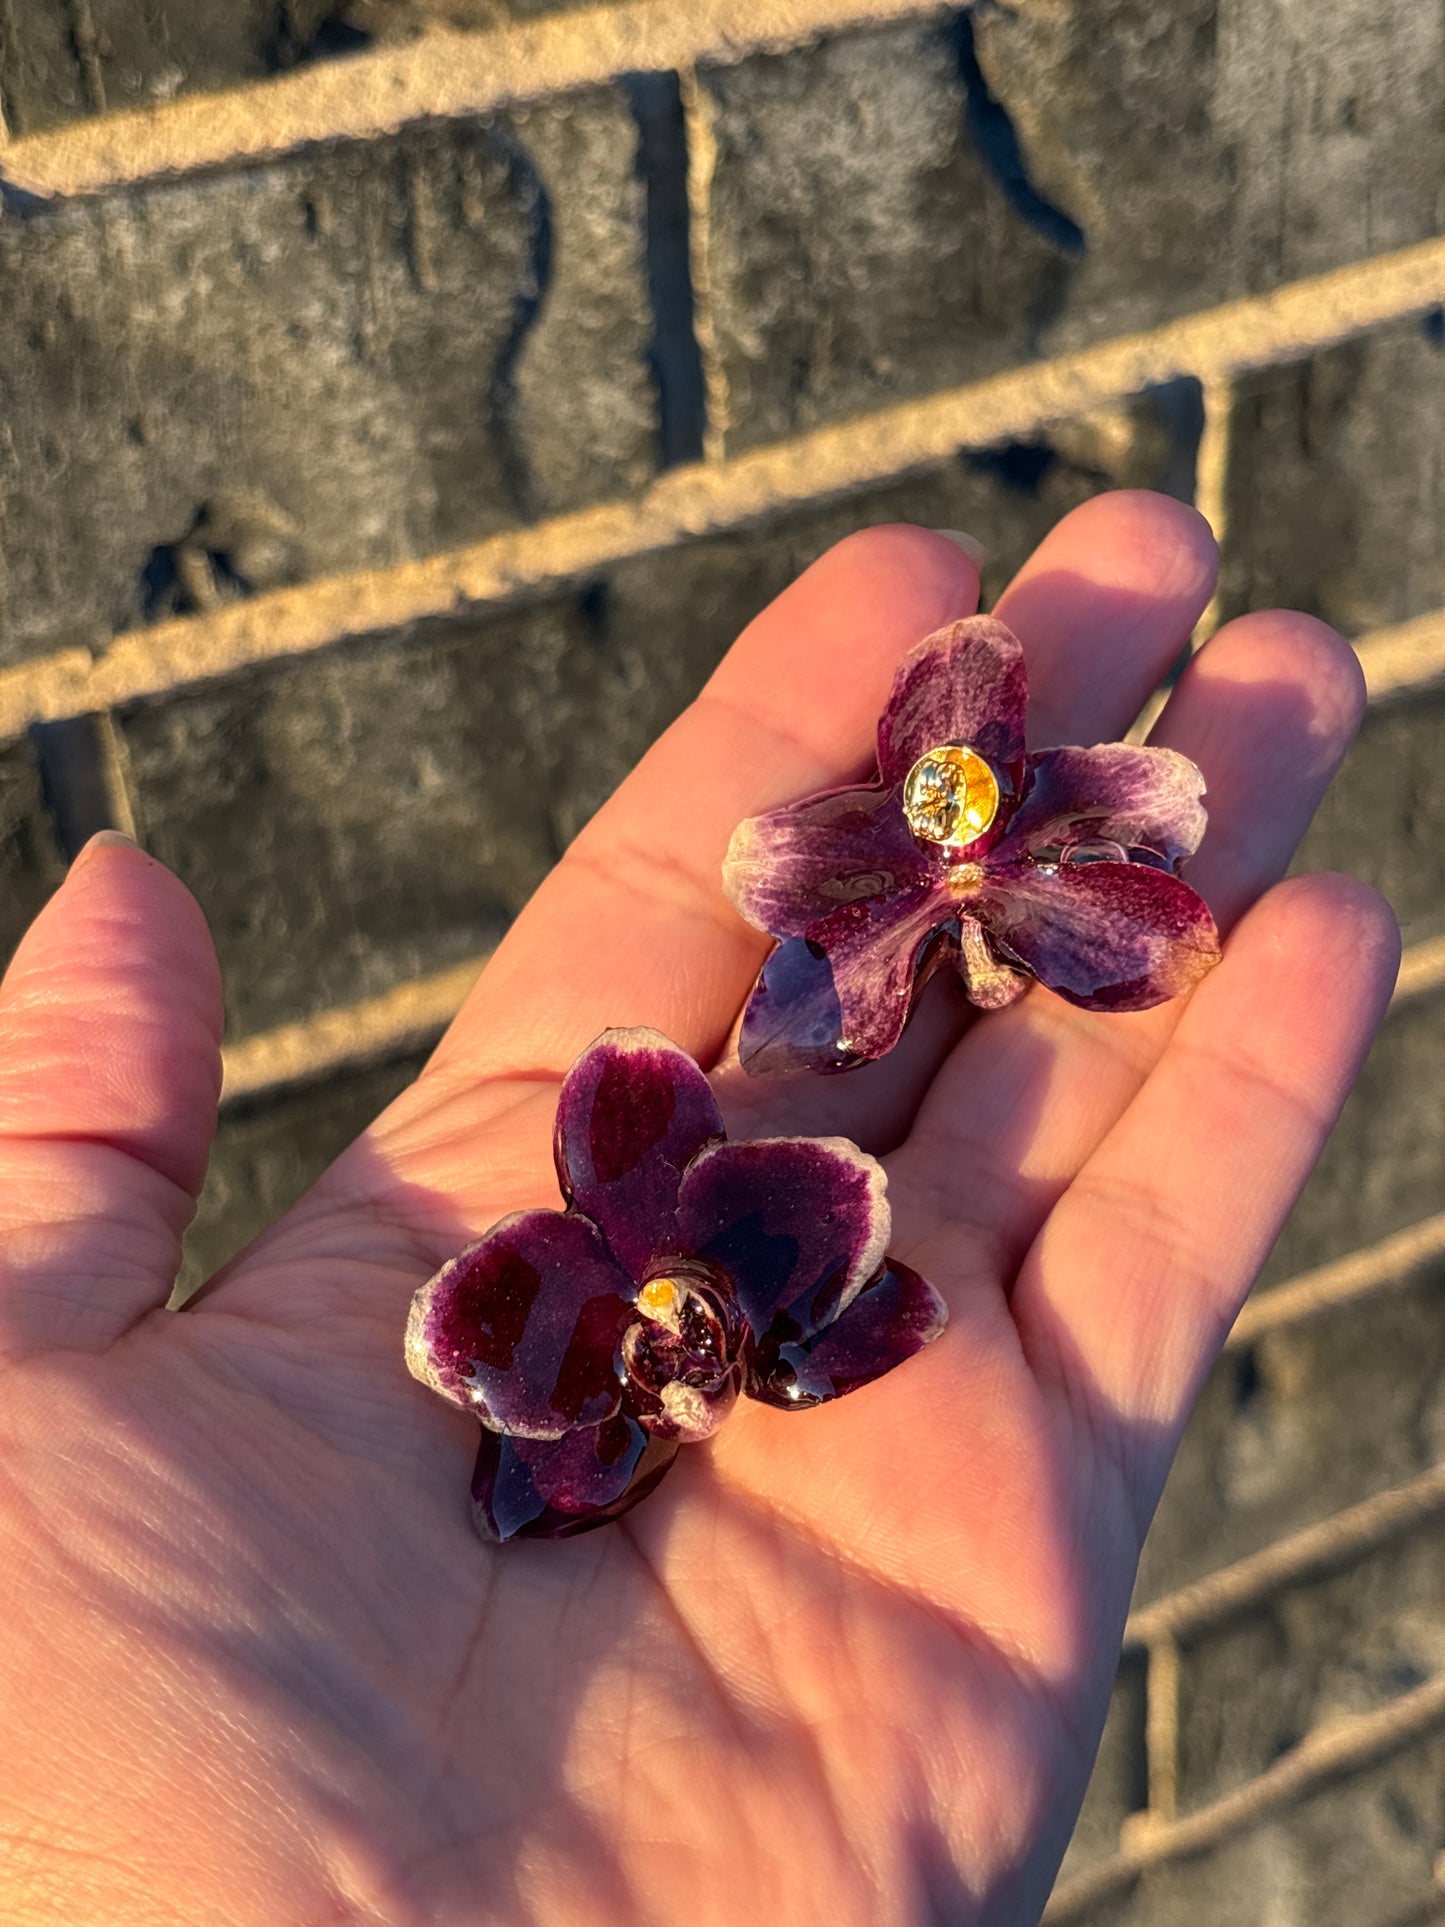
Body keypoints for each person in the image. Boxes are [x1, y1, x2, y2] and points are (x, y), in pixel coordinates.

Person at [0, 493, 1397, 1925]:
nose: (683, 1345)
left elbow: (1142, 832)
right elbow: (773, 890)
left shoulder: (811, 1224)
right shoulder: (605, 1387)